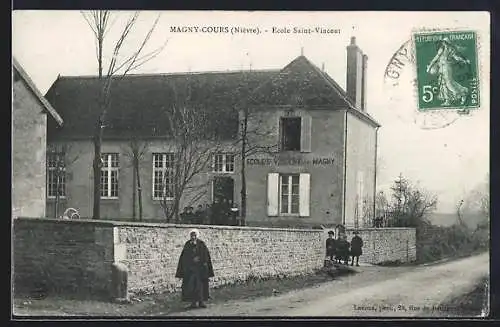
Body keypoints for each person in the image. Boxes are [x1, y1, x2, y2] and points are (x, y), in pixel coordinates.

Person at [175, 229, 215, 309]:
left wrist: (199, 259)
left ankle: (201, 302)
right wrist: (191, 260)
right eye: (192, 235)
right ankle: (193, 303)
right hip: (191, 270)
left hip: (200, 270)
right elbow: (184, 257)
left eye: (195, 235)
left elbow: (205, 255)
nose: (193, 237)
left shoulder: (201, 244)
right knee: (191, 286)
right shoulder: (187, 244)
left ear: (197, 236)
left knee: (200, 286)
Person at [426, 37, 470, 106]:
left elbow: (455, 58)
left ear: (446, 43)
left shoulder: (447, 49)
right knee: (443, 84)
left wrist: (463, 60)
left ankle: (463, 94)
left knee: (449, 84)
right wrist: (430, 66)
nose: (444, 43)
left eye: (444, 42)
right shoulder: (446, 49)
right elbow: (436, 58)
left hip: (446, 68)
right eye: (444, 42)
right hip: (442, 68)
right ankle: (447, 101)